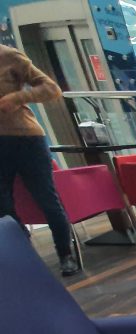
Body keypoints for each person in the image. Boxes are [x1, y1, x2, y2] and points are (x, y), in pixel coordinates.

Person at [0, 44, 78, 276]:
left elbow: (51, 88)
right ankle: (25, 254)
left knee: (46, 199)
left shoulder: (8, 56)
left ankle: (66, 255)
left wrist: (18, 97)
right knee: (3, 207)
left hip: (26, 138)